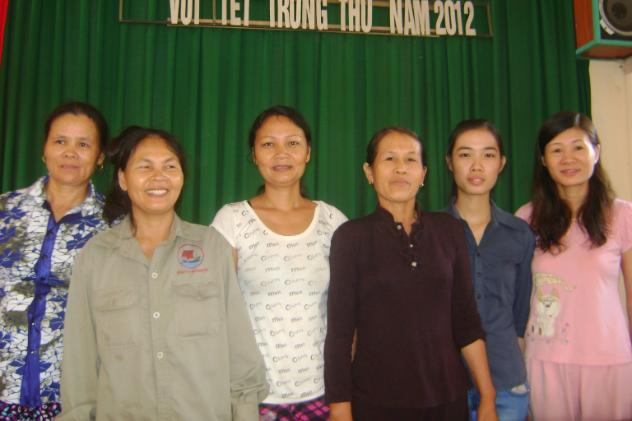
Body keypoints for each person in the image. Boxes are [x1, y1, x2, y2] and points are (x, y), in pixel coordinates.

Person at [59, 126, 268, 420]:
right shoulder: (96, 256)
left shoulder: (212, 247)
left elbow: (239, 348)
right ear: (123, 179)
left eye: (170, 166)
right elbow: (79, 361)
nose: (159, 177)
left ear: (182, 177)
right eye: (145, 167)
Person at [325, 126, 498, 421]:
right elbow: (340, 334)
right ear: (369, 172)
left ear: (423, 174)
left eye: (410, 160)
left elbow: (466, 321)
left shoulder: (450, 231)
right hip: (375, 404)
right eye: (389, 159)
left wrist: (488, 397)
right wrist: (340, 410)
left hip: (448, 400)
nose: (400, 169)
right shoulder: (350, 237)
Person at [212, 106, 347, 420]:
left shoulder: (332, 221)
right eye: (268, 144)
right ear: (254, 155)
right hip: (251, 395)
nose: (281, 153)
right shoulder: (232, 220)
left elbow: (352, 310)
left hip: (323, 392)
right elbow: (214, 310)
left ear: (308, 152)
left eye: (293, 143)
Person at [516, 112, 632, 420]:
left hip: (608, 360)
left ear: (597, 152)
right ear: (543, 160)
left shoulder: (623, 215)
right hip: (545, 360)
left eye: (578, 147)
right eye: (557, 150)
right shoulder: (526, 219)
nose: (568, 158)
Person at [0, 102, 109, 420]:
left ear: (100, 157)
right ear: (44, 150)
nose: (70, 153)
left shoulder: (114, 226)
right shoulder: (5, 210)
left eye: (84, 144)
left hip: (71, 395)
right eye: (60, 141)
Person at [444, 119, 534, 421]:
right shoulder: (431, 231)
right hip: (446, 385)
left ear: (502, 163)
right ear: (449, 162)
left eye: (488, 154)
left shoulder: (519, 233)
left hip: (506, 383)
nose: (477, 165)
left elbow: (521, 312)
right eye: (465, 154)